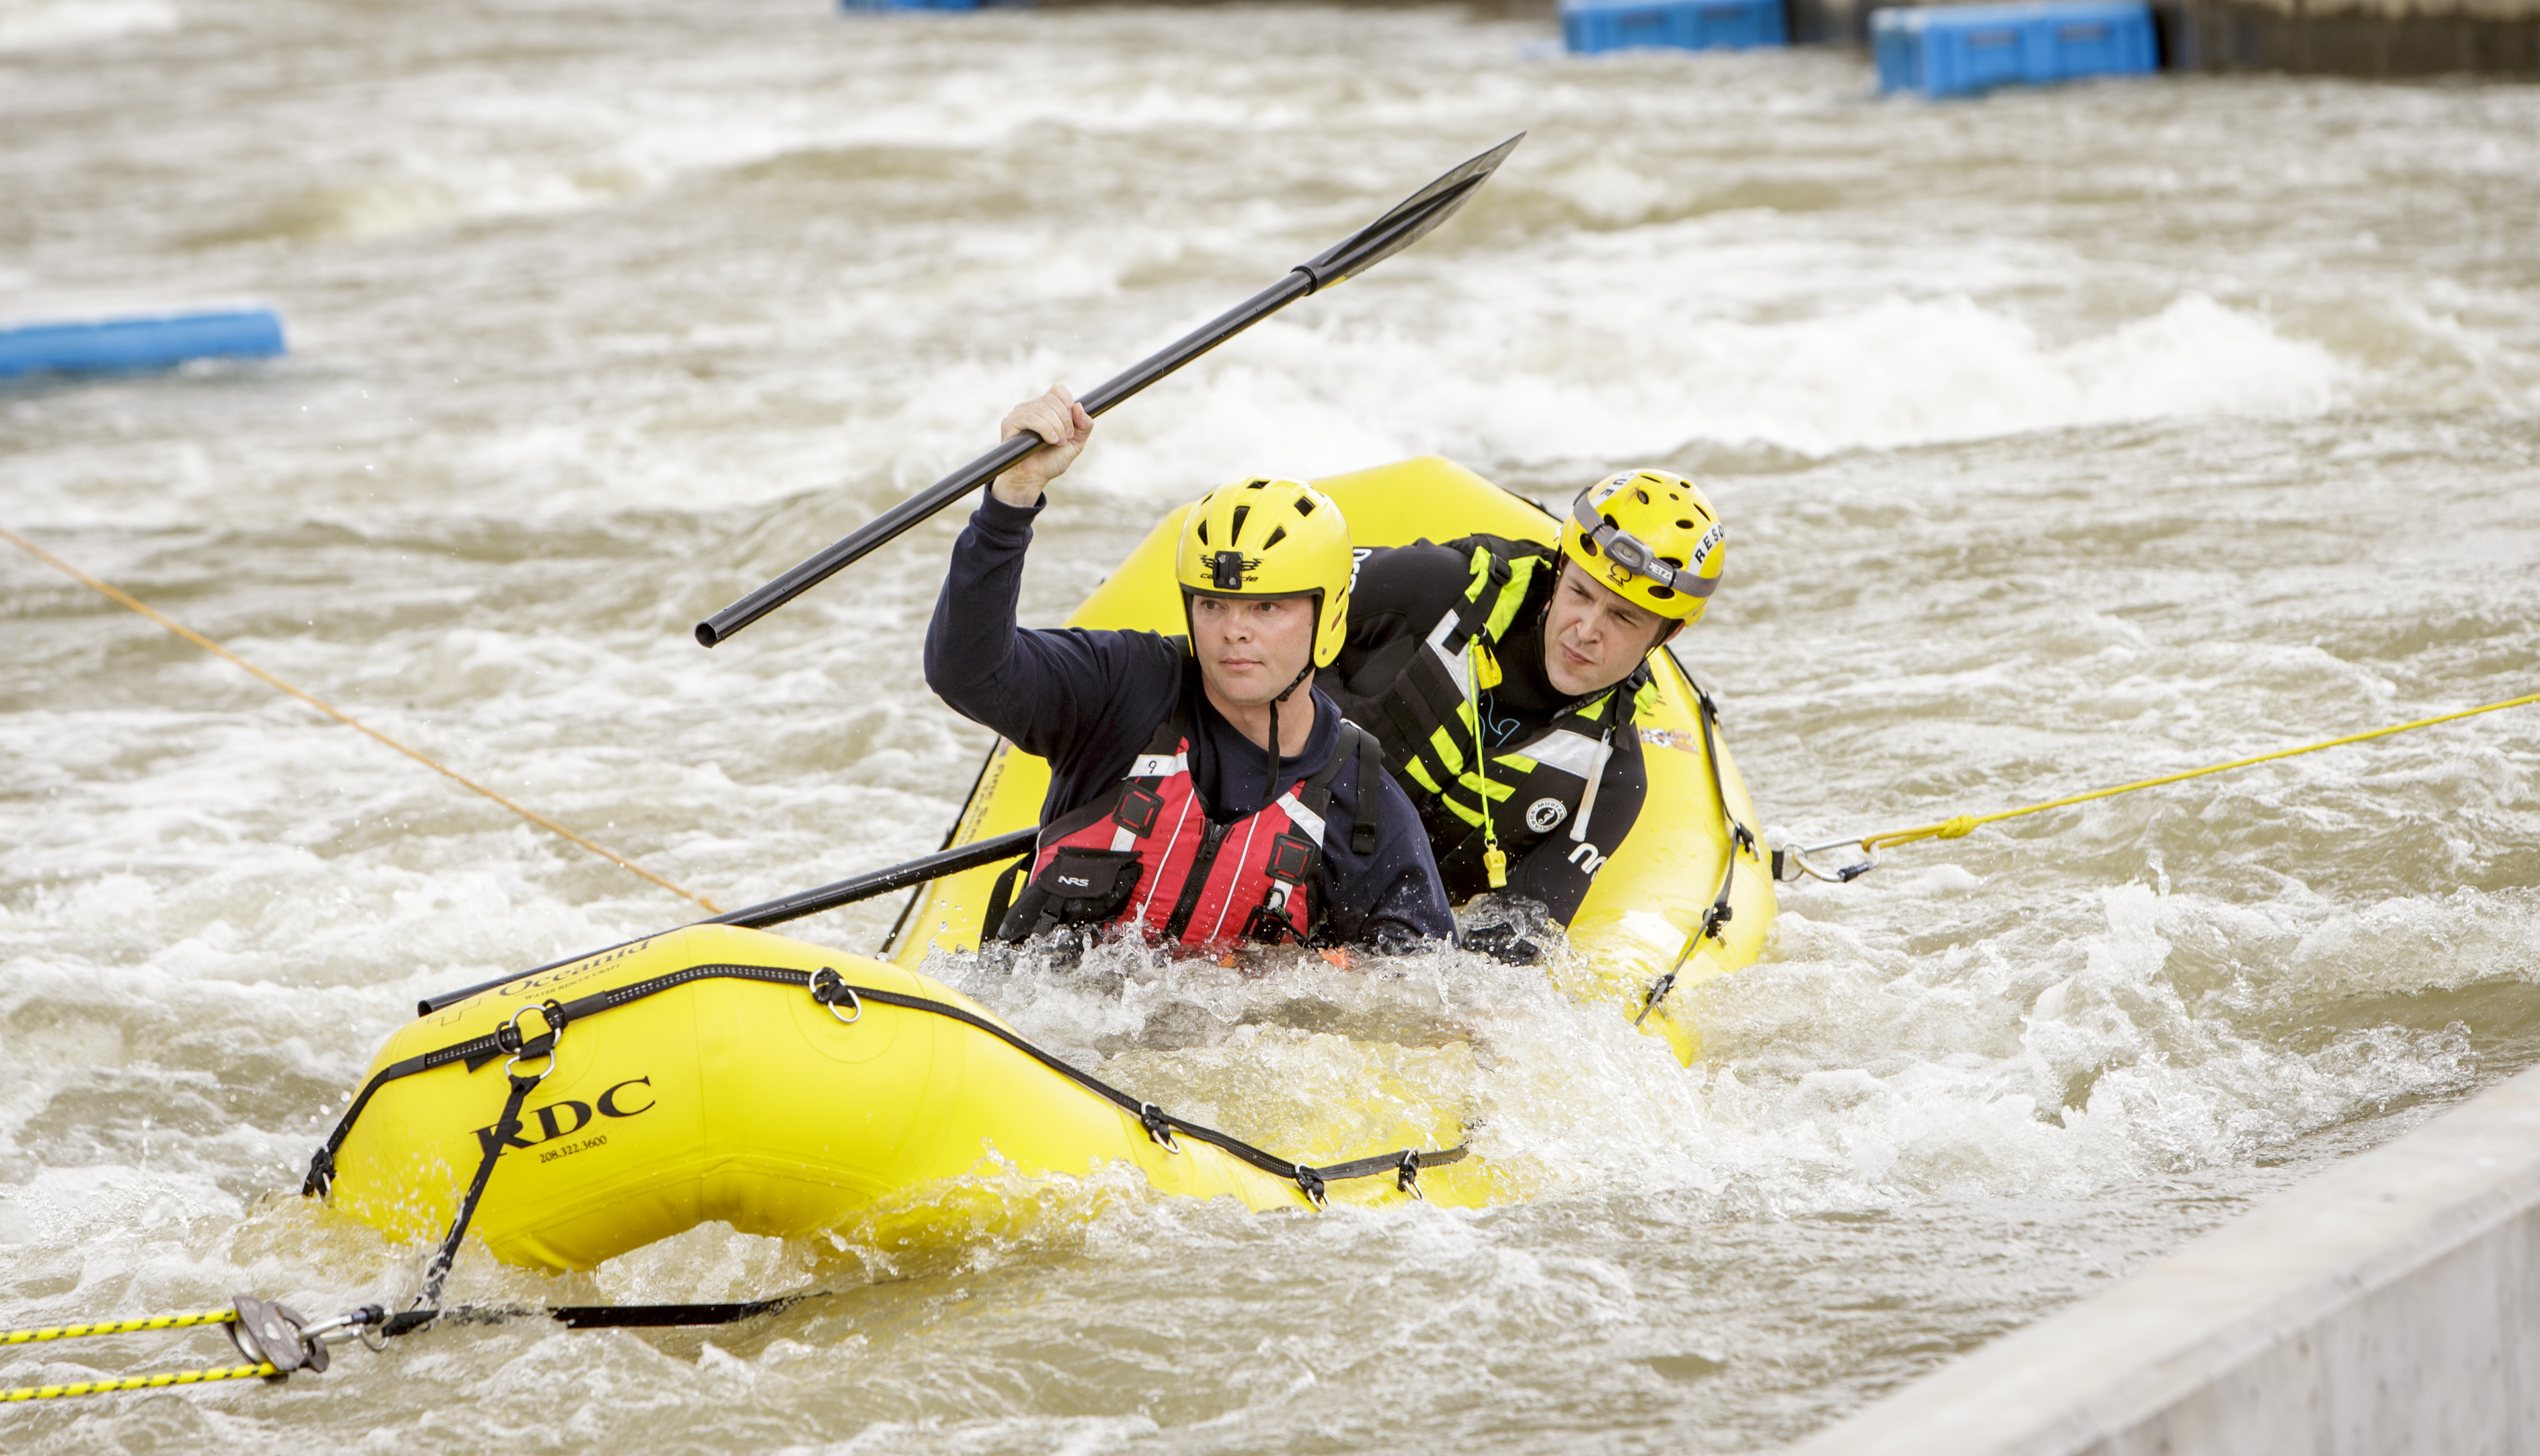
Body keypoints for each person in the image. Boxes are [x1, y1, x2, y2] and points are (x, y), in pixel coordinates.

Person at [924, 387, 1455, 955]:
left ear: (1327, 616)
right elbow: (967, 670)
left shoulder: (1362, 805)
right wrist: (1011, 498)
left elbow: (1426, 994)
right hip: (1035, 1025)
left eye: (1266, 608)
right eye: (1212, 605)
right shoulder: (1122, 688)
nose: (1233, 631)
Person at [1317, 469, 1727, 933]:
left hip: (1372, 936)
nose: (1587, 631)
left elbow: (1514, 945)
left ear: (1667, 634)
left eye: (1623, 618)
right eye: (1579, 593)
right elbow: (1272, 625)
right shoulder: (1436, 587)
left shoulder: (1611, 779)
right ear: (1558, 570)